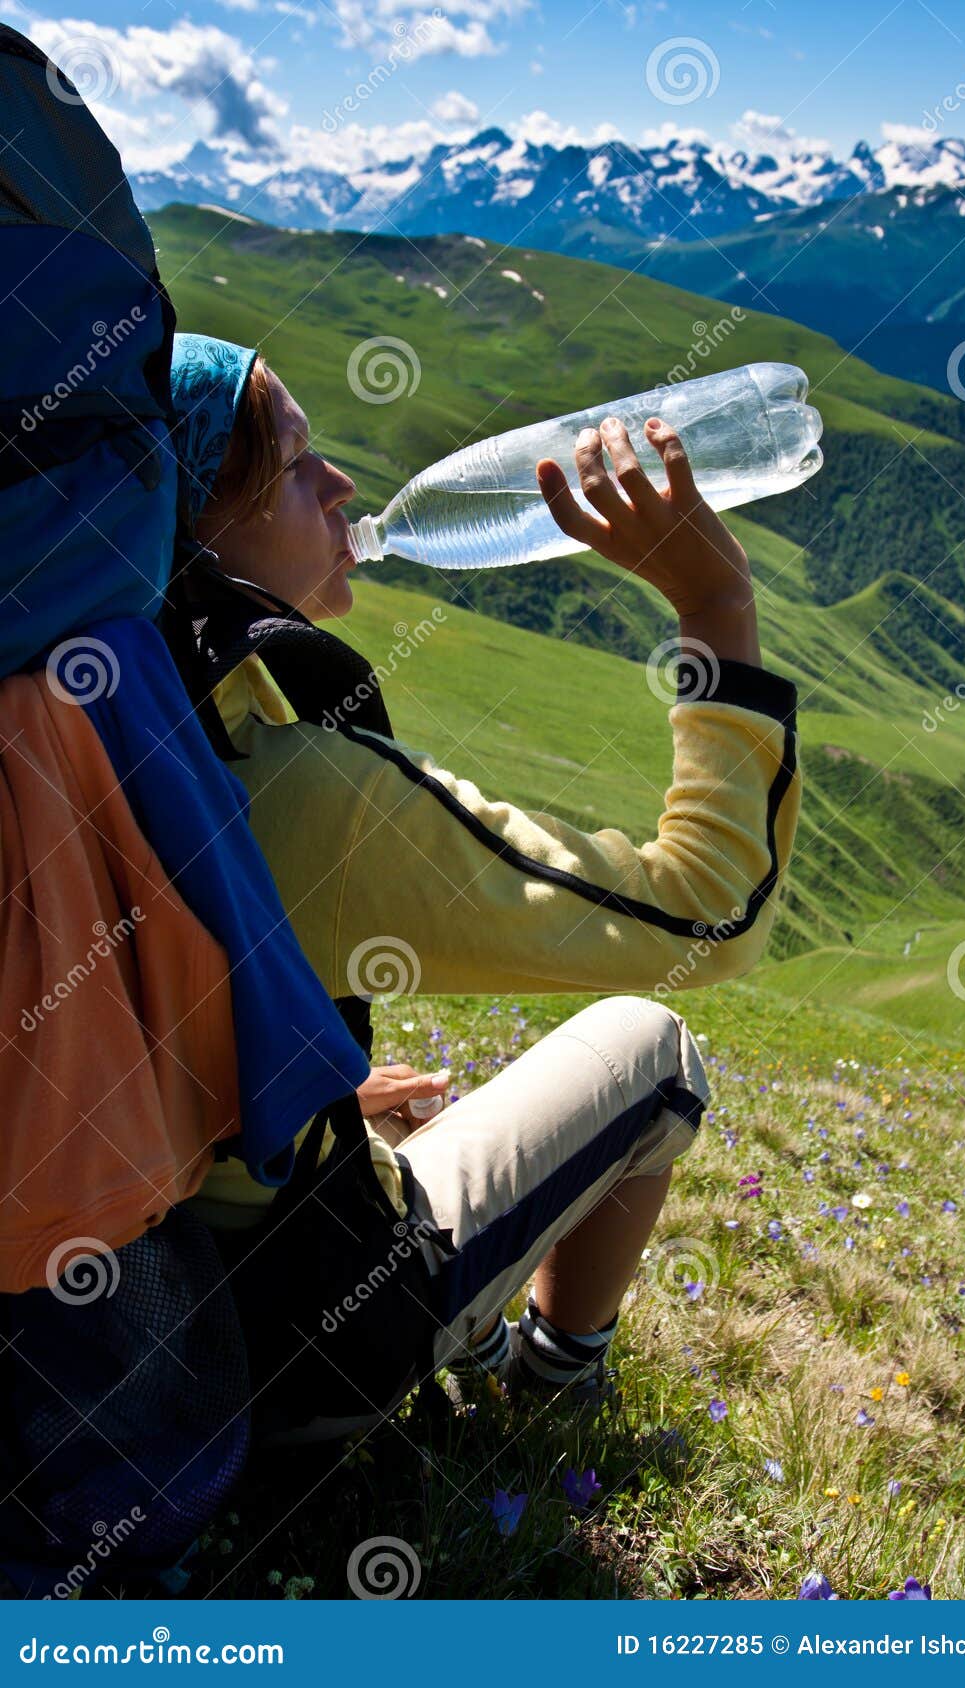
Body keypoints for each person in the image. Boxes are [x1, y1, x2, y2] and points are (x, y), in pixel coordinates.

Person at [168, 334, 802, 1433]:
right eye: (293, 468)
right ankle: (552, 1384)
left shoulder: (60, 726)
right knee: (651, 1052)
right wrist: (715, 610)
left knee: (395, 1105)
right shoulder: (288, 789)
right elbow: (705, 907)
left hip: (107, 1332)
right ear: (196, 539)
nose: (342, 487)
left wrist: (281, 1108)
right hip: (281, 1354)